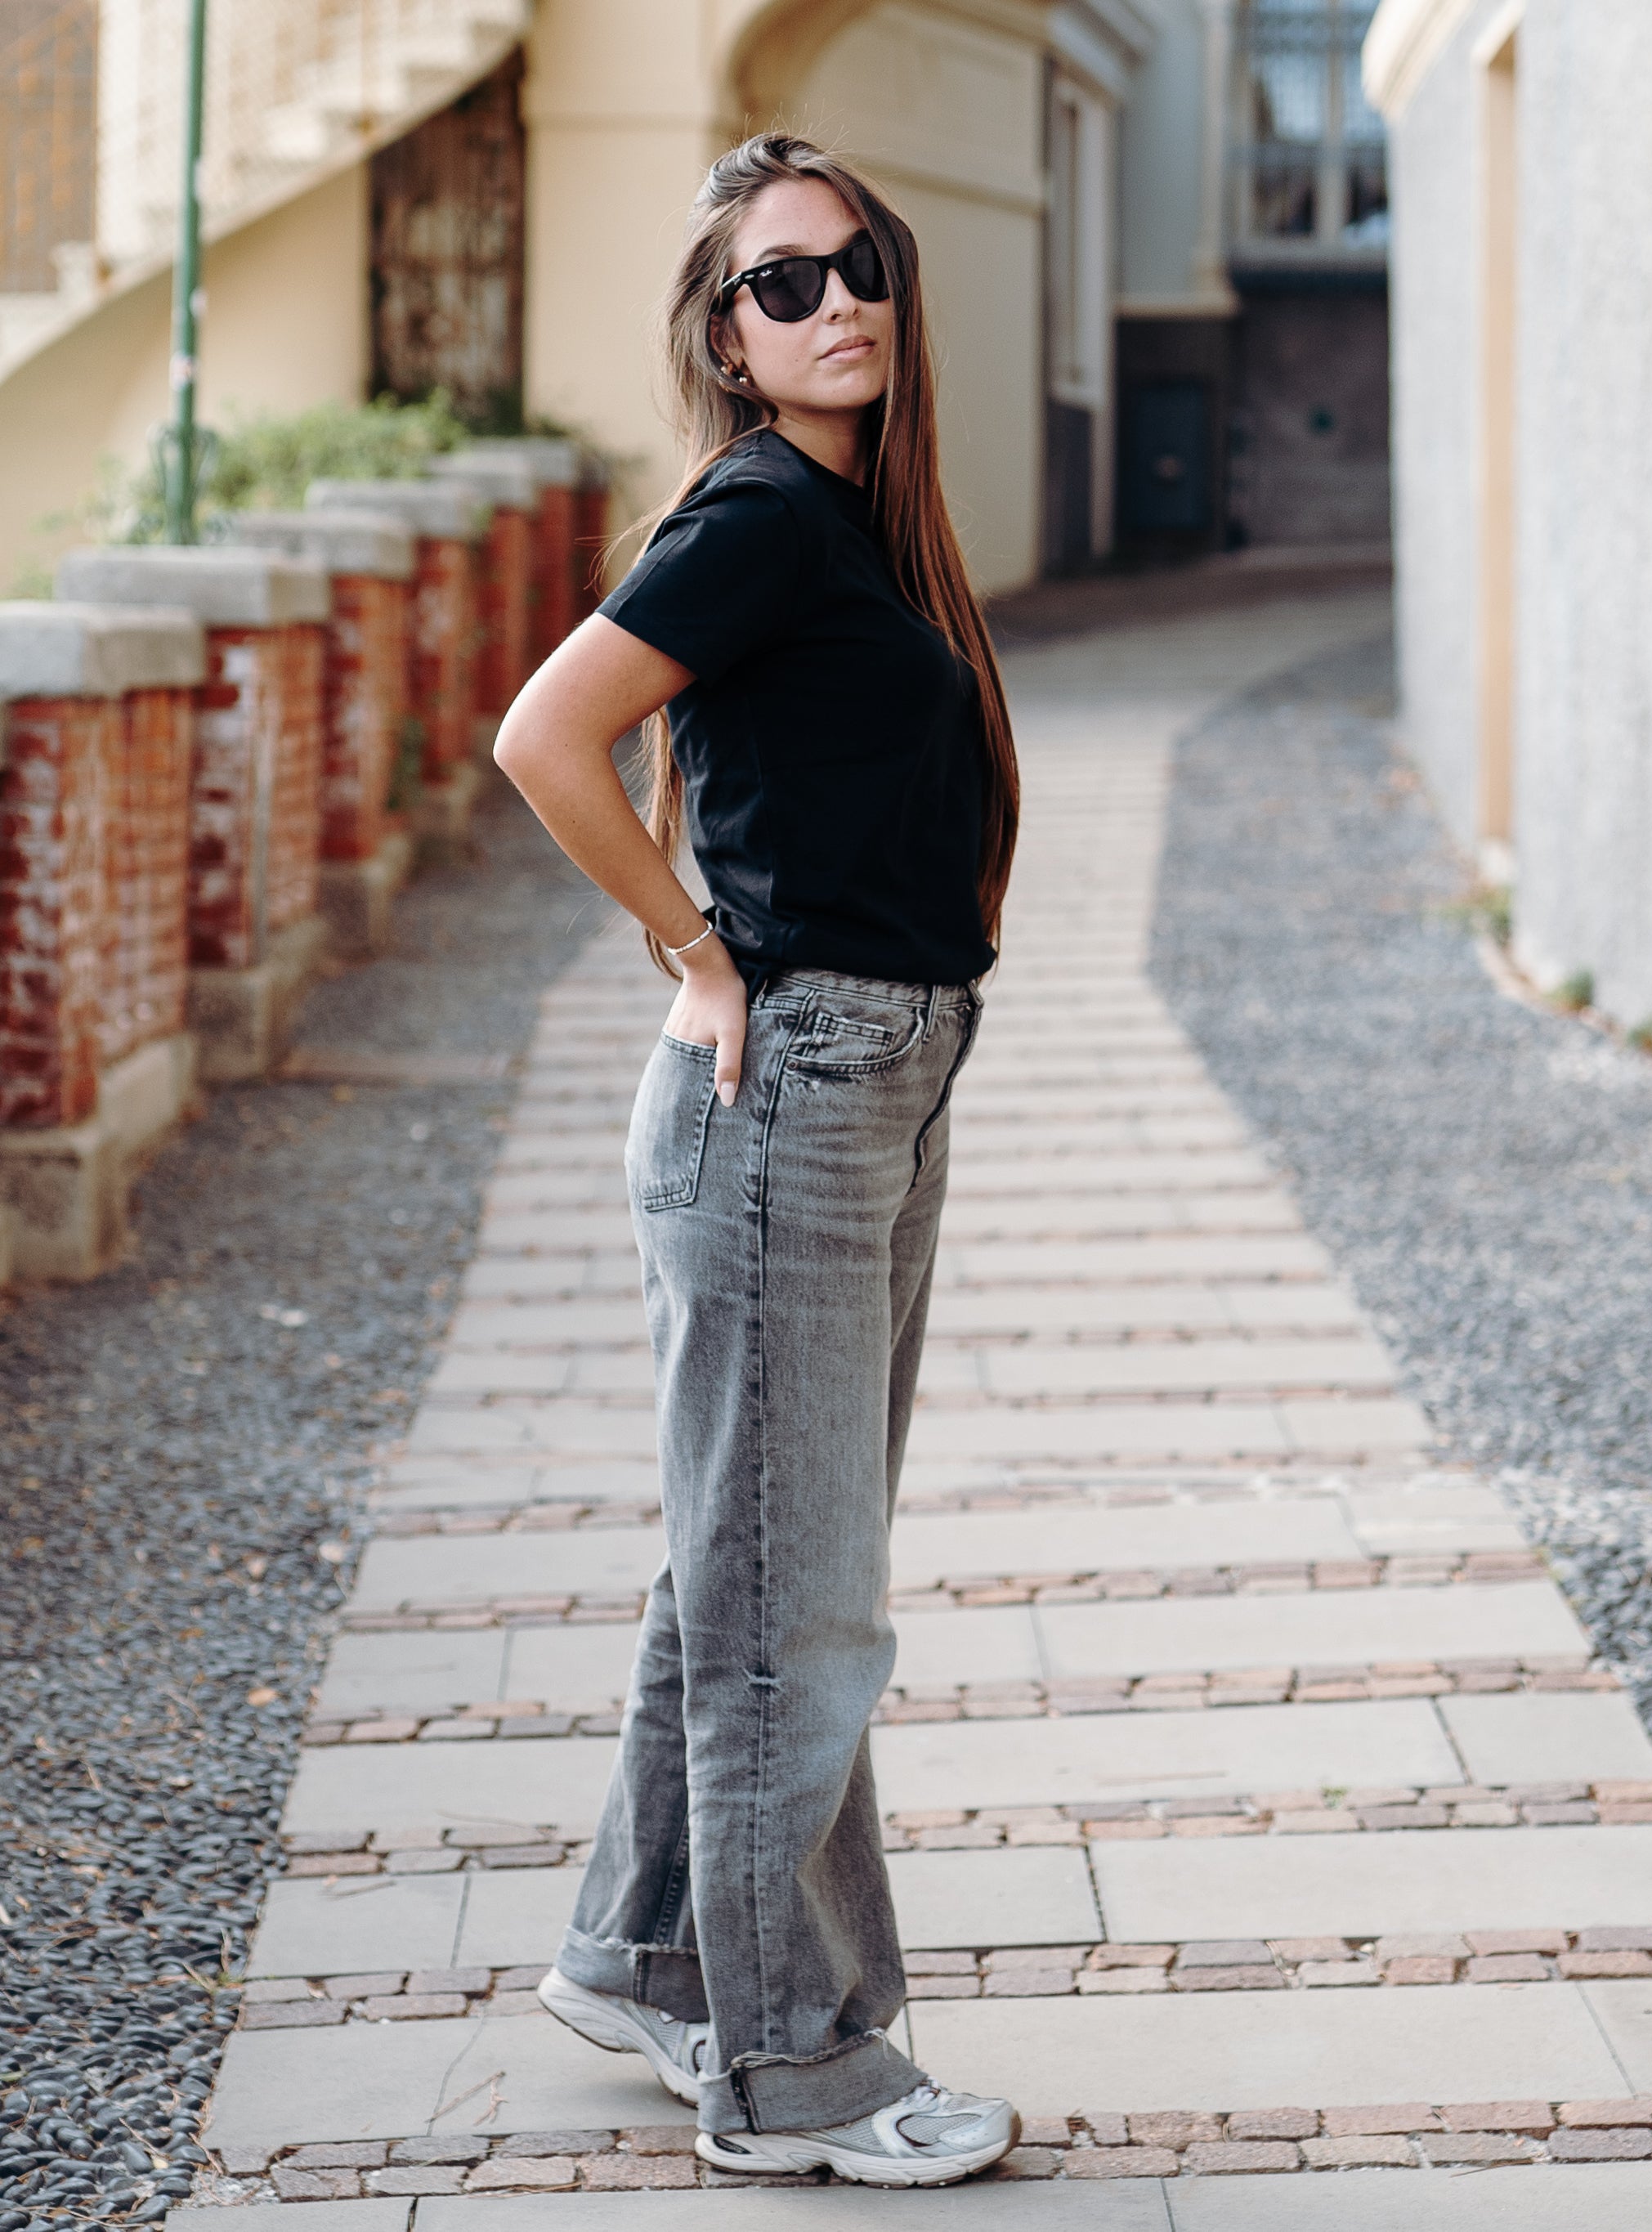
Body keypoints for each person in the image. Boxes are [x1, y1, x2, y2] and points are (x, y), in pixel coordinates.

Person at [493, 132, 1021, 2189]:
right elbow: (548, 736)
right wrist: (693, 947)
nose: (836, 303)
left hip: (873, 1075)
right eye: (782, 283)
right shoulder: (759, 517)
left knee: (751, 1559)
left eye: (859, 263)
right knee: (792, 1603)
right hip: (791, 1081)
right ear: (726, 337)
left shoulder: (850, 520)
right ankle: (790, 2072)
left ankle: (641, 1954)